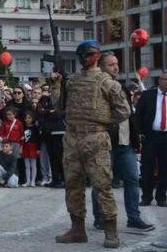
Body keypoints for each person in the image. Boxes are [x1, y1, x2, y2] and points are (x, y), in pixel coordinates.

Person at [52, 39, 130, 249]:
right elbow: (59, 107)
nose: (84, 58)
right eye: (82, 55)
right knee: (73, 185)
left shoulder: (107, 82)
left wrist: (103, 123)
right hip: (72, 138)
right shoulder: (72, 80)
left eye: (87, 54)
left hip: (96, 139)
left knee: (102, 185)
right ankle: (77, 229)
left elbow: (124, 110)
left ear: (95, 55)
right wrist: (56, 85)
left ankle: (111, 231)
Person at [90, 53, 153, 231]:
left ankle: (134, 218)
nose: (116, 68)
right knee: (102, 183)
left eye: (117, 64)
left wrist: (135, 135)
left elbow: (129, 115)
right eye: (111, 65)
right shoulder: (95, 89)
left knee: (132, 179)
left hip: (125, 144)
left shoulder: (122, 88)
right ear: (100, 67)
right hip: (104, 144)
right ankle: (100, 217)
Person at [135, 71, 167, 208]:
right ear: (159, 80)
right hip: (150, 136)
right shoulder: (148, 95)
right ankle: (146, 197)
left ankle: (161, 197)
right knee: (147, 167)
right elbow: (138, 115)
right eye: (166, 79)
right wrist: (139, 132)